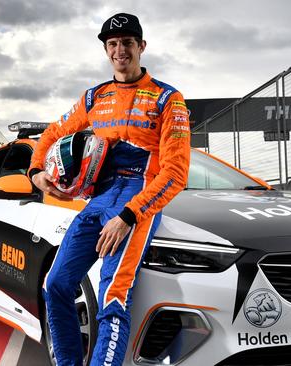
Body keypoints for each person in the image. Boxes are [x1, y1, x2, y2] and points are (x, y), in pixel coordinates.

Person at [27, 13, 191, 366]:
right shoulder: (94, 97)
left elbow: (176, 173)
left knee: (113, 297)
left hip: (138, 197)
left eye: (128, 43)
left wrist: (129, 216)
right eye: (113, 44)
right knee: (55, 285)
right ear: (106, 50)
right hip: (99, 196)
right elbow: (52, 133)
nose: (120, 51)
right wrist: (36, 170)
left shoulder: (168, 99)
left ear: (141, 47)